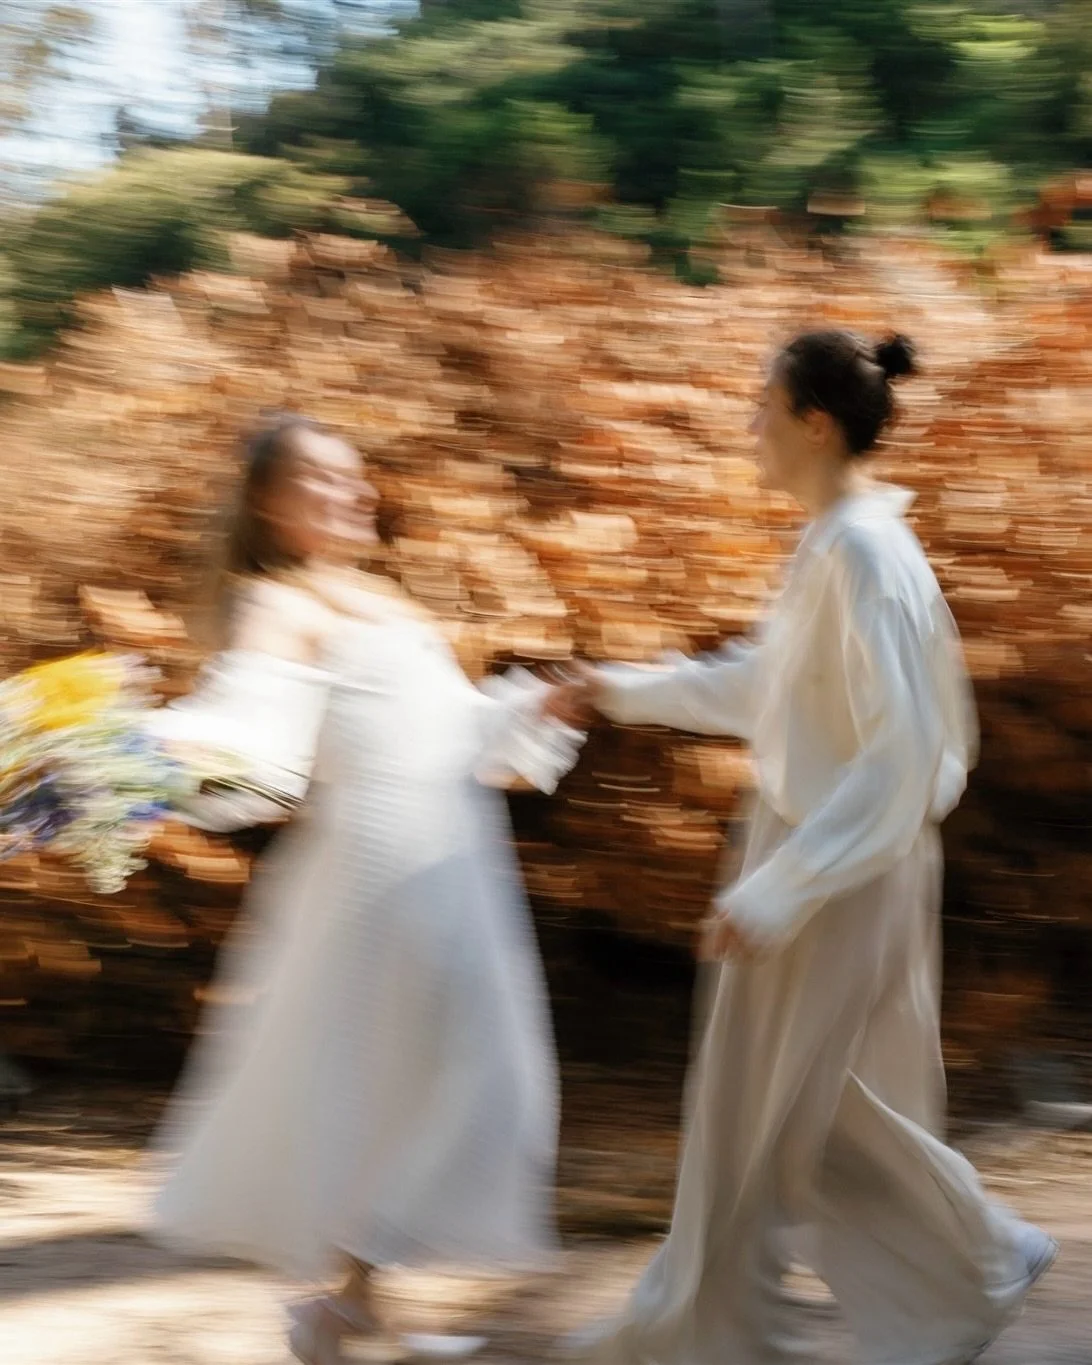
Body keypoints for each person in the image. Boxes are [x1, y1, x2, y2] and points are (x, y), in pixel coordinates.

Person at [565, 332, 1056, 1365]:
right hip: (820, 850)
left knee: (789, 1106)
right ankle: (734, 1323)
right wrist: (614, 690)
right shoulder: (836, 544)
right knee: (777, 1104)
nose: (751, 425)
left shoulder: (868, 554)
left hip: (842, 865)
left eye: (764, 406)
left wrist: (782, 889)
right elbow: (766, 688)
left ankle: (965, 1257)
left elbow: (902, 750)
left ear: (816, 424)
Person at [145, 416, 588, 1365]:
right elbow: (252, 741)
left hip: (458, 861)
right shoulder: (276, 604)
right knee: (418, 1071)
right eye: (321, 478)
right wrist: (147, 754)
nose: (354, 493)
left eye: (356, 477)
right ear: (270, 502)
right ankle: (347, 1298)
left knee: (470, 1073)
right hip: (377, 875)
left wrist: (534, 707)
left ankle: (347, 1303)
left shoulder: (383, 597)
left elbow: (458, 731)